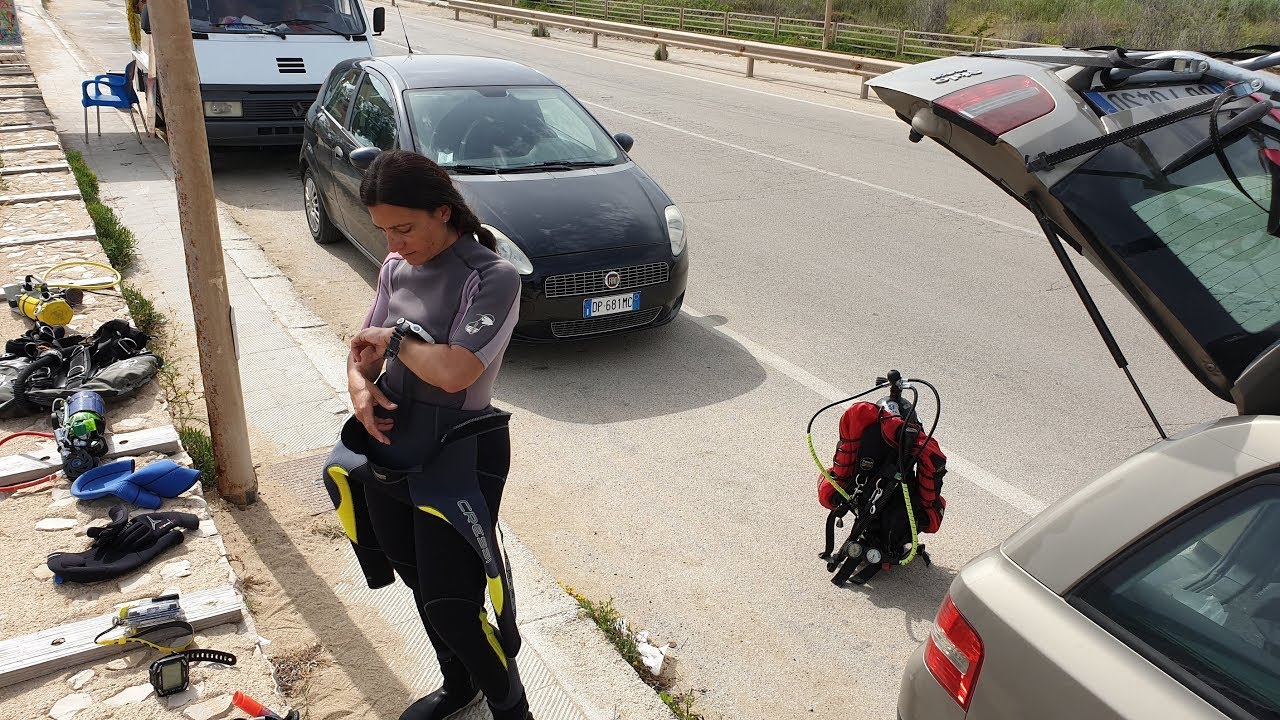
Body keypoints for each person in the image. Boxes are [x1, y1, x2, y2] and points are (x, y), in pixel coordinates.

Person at [321, 149, 531, 720]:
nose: (393, 244)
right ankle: (459, 685)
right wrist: (360, 390)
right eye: (384, 229)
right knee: (417, 582)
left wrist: (394, 342)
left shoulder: (492, 278)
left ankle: (514, 709)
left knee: (454, 604)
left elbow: (456, 369)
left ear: (444, 212)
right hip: (393, 444)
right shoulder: (395, 269)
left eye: (404, 228)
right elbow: (362, 349)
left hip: (460, 452)